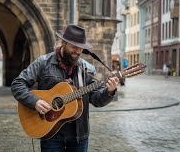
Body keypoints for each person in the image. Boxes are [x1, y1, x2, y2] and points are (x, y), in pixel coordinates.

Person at [11, 24, 119, 152]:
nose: (77, 51)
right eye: (74, 46)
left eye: (81, 48)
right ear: (63, 43)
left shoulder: (87, 69)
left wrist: (109, 92)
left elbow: (96, 100)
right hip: (50, 132)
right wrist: (35, 102)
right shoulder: (43, 63)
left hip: (79, 135)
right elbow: (17, 84)